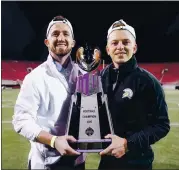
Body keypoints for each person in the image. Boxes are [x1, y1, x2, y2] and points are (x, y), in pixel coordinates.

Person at [12, 15, 86, 170]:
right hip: (46, 162)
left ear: (72, 42)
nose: (61, 38)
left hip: (78, 161)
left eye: (66, 34)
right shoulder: (35, 77)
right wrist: (53, 140)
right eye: (55, 34)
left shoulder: (84, 76)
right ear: (47, 42)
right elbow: (21, 120)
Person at [98, 19, 170, 170]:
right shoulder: (100, 78)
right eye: (115, 43)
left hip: (138, 163)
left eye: (125, 42)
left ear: (134, 47)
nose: (120, 47)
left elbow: (162, 125)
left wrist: (128, 144)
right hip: (106, 161)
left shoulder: (148, 82)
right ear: (108, 49)